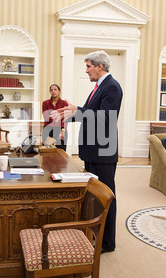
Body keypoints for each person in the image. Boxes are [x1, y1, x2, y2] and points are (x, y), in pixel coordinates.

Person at [52, 50, 122, 253]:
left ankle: (108, 243)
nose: (86, 70)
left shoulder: (112, 87)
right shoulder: (98, 87)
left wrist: (78, 111)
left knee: (106, 196)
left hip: (103, 151)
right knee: (93, 196)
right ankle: (93, 233)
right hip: (93, 151)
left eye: (89, 66)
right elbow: (91, 114)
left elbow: (105, 117)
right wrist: (70, 115)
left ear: (100, 66)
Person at [42, 84, 68, 151]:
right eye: (51, 90)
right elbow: (46, 117)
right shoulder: (45, 103)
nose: (53, 91)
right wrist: (59, 116)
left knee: (61, 151)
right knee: (46, 151)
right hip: (48, 129)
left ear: (59, 91)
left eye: (55, 89)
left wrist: (63, 130)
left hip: (60, 129)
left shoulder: (64, 104)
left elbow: (65, 118)